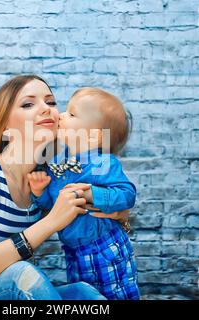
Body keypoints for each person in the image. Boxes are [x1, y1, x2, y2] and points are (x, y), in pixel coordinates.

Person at [0, 75, 128, 300]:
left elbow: (95, 211)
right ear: (4, 125)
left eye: (51, 102)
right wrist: (52, 220)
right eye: (28, 104)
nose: (46, 109)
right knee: (21, 273)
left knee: (82, 292)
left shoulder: (46, 183)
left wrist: (116, 211)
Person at [28, 87, 140, 300]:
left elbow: (127, 194)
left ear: (93, 137)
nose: (60, 116)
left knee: (116, 295)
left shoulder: (103, 163)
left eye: (71, 114)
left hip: (104, 248)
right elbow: (52, 206)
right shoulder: (59, 163)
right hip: (73, 253)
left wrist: (93, 195)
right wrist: (39, 192)